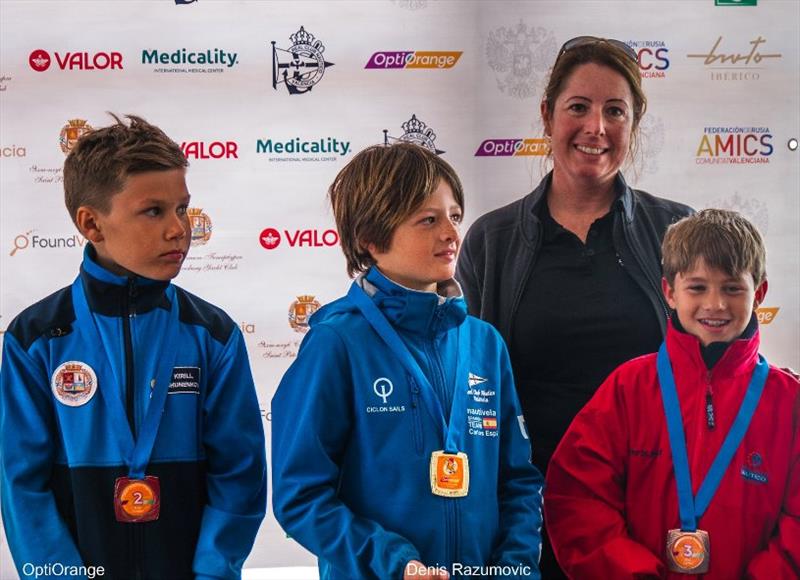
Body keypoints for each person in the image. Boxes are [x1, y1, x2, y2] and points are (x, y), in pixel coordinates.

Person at [456, 37, 693, 577]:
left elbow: (717, 372)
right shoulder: (491, 240)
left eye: (616, 111)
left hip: (655, 509)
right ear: (546, 115)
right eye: (578, 107)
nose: (597, 128)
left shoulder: (677, 231)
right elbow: (469, 387)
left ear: (633, 125)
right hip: (528, 515)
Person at [0, 115, 267, 579]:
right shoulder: (37, 338)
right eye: (153, 211)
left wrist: (213, 572)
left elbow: (239, 474)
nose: (179, 229)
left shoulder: (213, 334)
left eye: (182, 208)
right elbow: (22, 483)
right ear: (91, 224)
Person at [271, 143, 543, 580]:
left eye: (454, 215)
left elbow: (518, 481)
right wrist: (393, 563)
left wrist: (513, 568)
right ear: (372, 239)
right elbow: (300, 497)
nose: (451, 232)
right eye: (428, 219)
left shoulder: (484, 344)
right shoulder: (337, 343)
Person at [544, 209, 800, 578]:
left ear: (758, 293)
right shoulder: (628, 387)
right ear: (670, 291)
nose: (715, 304)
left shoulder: (788, 402)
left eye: (732, 287)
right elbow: (577, 498)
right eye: (697, 287)